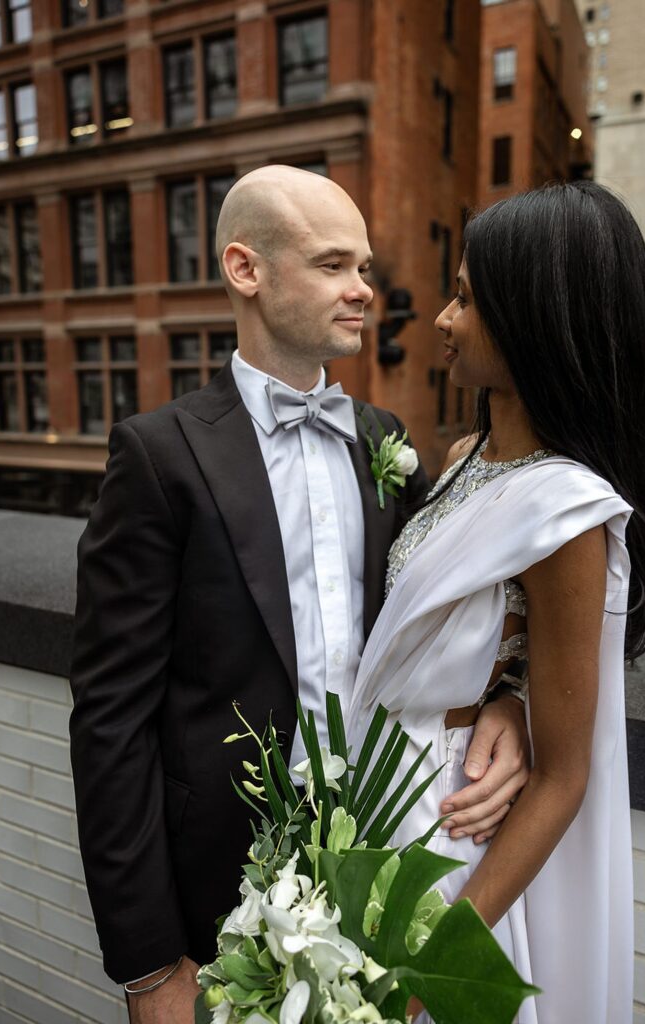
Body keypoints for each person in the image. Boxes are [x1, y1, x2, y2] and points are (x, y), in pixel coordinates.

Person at [68, 166, 531, 1024]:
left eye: (363, 267)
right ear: (247, 270)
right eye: (332, 266)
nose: (364, 291)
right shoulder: (158, 456)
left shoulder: (384, 442)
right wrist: (145, 965)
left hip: (380, 860)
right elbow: (110, 720)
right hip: (217, 901)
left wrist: (503, 699)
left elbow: (446, 620)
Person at [345, 180, 645, 1024]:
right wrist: (505, 695)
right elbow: (483, 630)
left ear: (534, 320)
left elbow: (564, 778)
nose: (442, 321)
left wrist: (431, 968)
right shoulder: (459, 459)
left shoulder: (567, 513)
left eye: (462, 299)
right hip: (380, 801)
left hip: (460, 840)